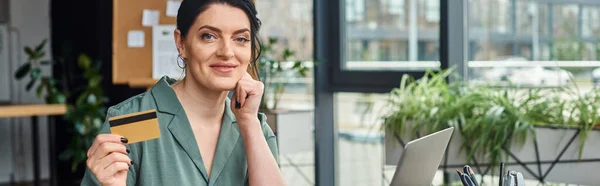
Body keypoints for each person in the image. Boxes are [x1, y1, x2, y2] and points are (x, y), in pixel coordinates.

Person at [80, 0, 286, 185]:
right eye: (209, 36)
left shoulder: (254, 129)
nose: (227, 52)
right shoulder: (135, 121)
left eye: (240, 39)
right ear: (181, 43)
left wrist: (249, 123)